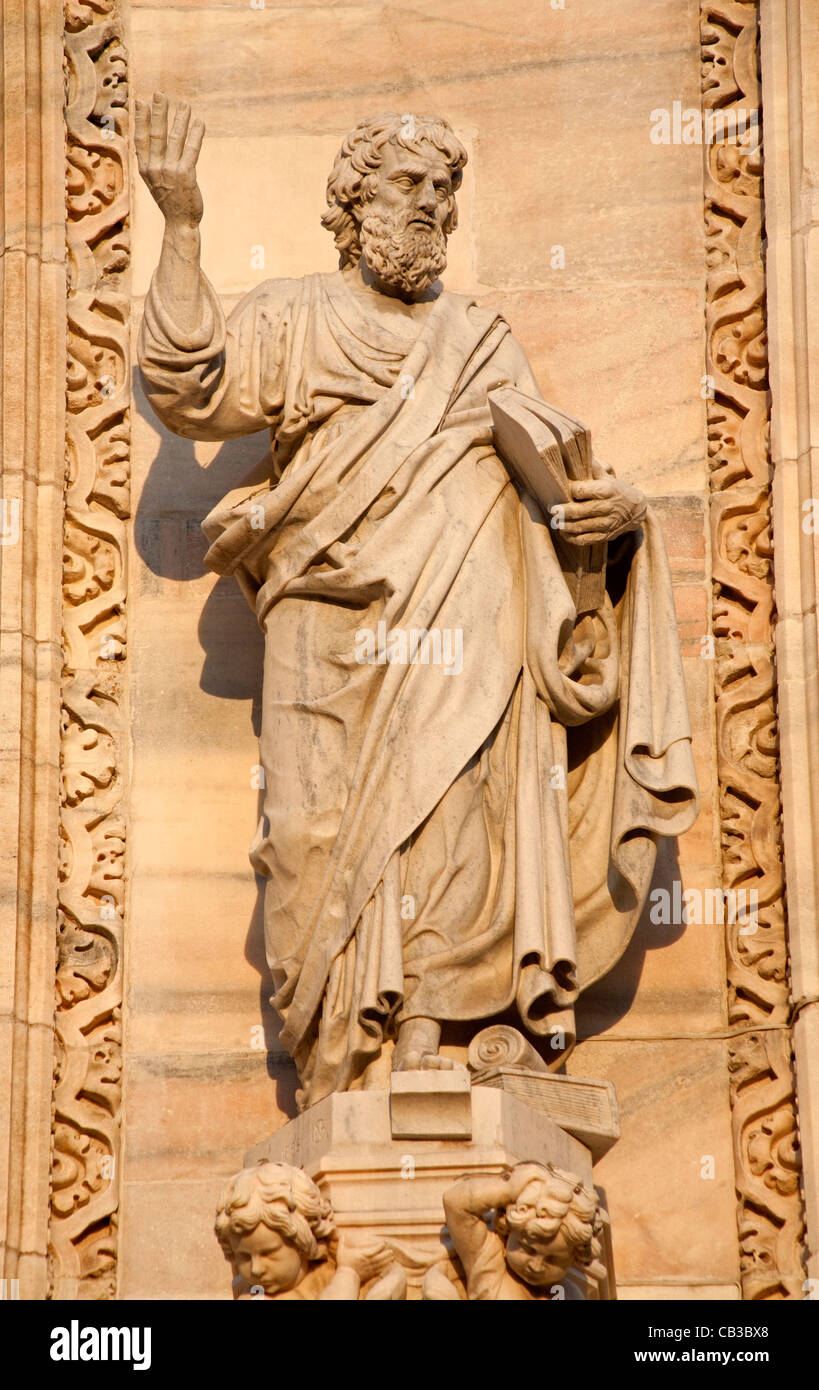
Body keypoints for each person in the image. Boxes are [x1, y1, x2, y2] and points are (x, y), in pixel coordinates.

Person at [136, 96, 698, 1109]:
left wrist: (621, 517)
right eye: (409, 185)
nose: (433, 205)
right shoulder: (296, 314)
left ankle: (431, 1029)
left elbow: (556, 484)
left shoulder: (481, 341)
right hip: (325, 623)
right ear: (354, 203)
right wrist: (181, 225)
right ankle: (331, 1053)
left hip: (461, 628)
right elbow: (191, 385)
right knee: (307, 837)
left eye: (446, 189)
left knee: (450, 821)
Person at [214, 1162, 405, 1300]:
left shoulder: (326, 1271)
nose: (256, 1269)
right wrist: (349, 1274)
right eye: (244, 1257)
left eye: (268, 1253)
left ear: (303, 1243)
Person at [435, 1161, 604, 1300]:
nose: (536, 1266)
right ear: (509, 1232)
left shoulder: (569, 1294)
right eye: (529, 1249)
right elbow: (455, 1203)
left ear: (575, 1259)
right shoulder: (491, 1260)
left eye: (553, 1260)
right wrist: (509, 1191)